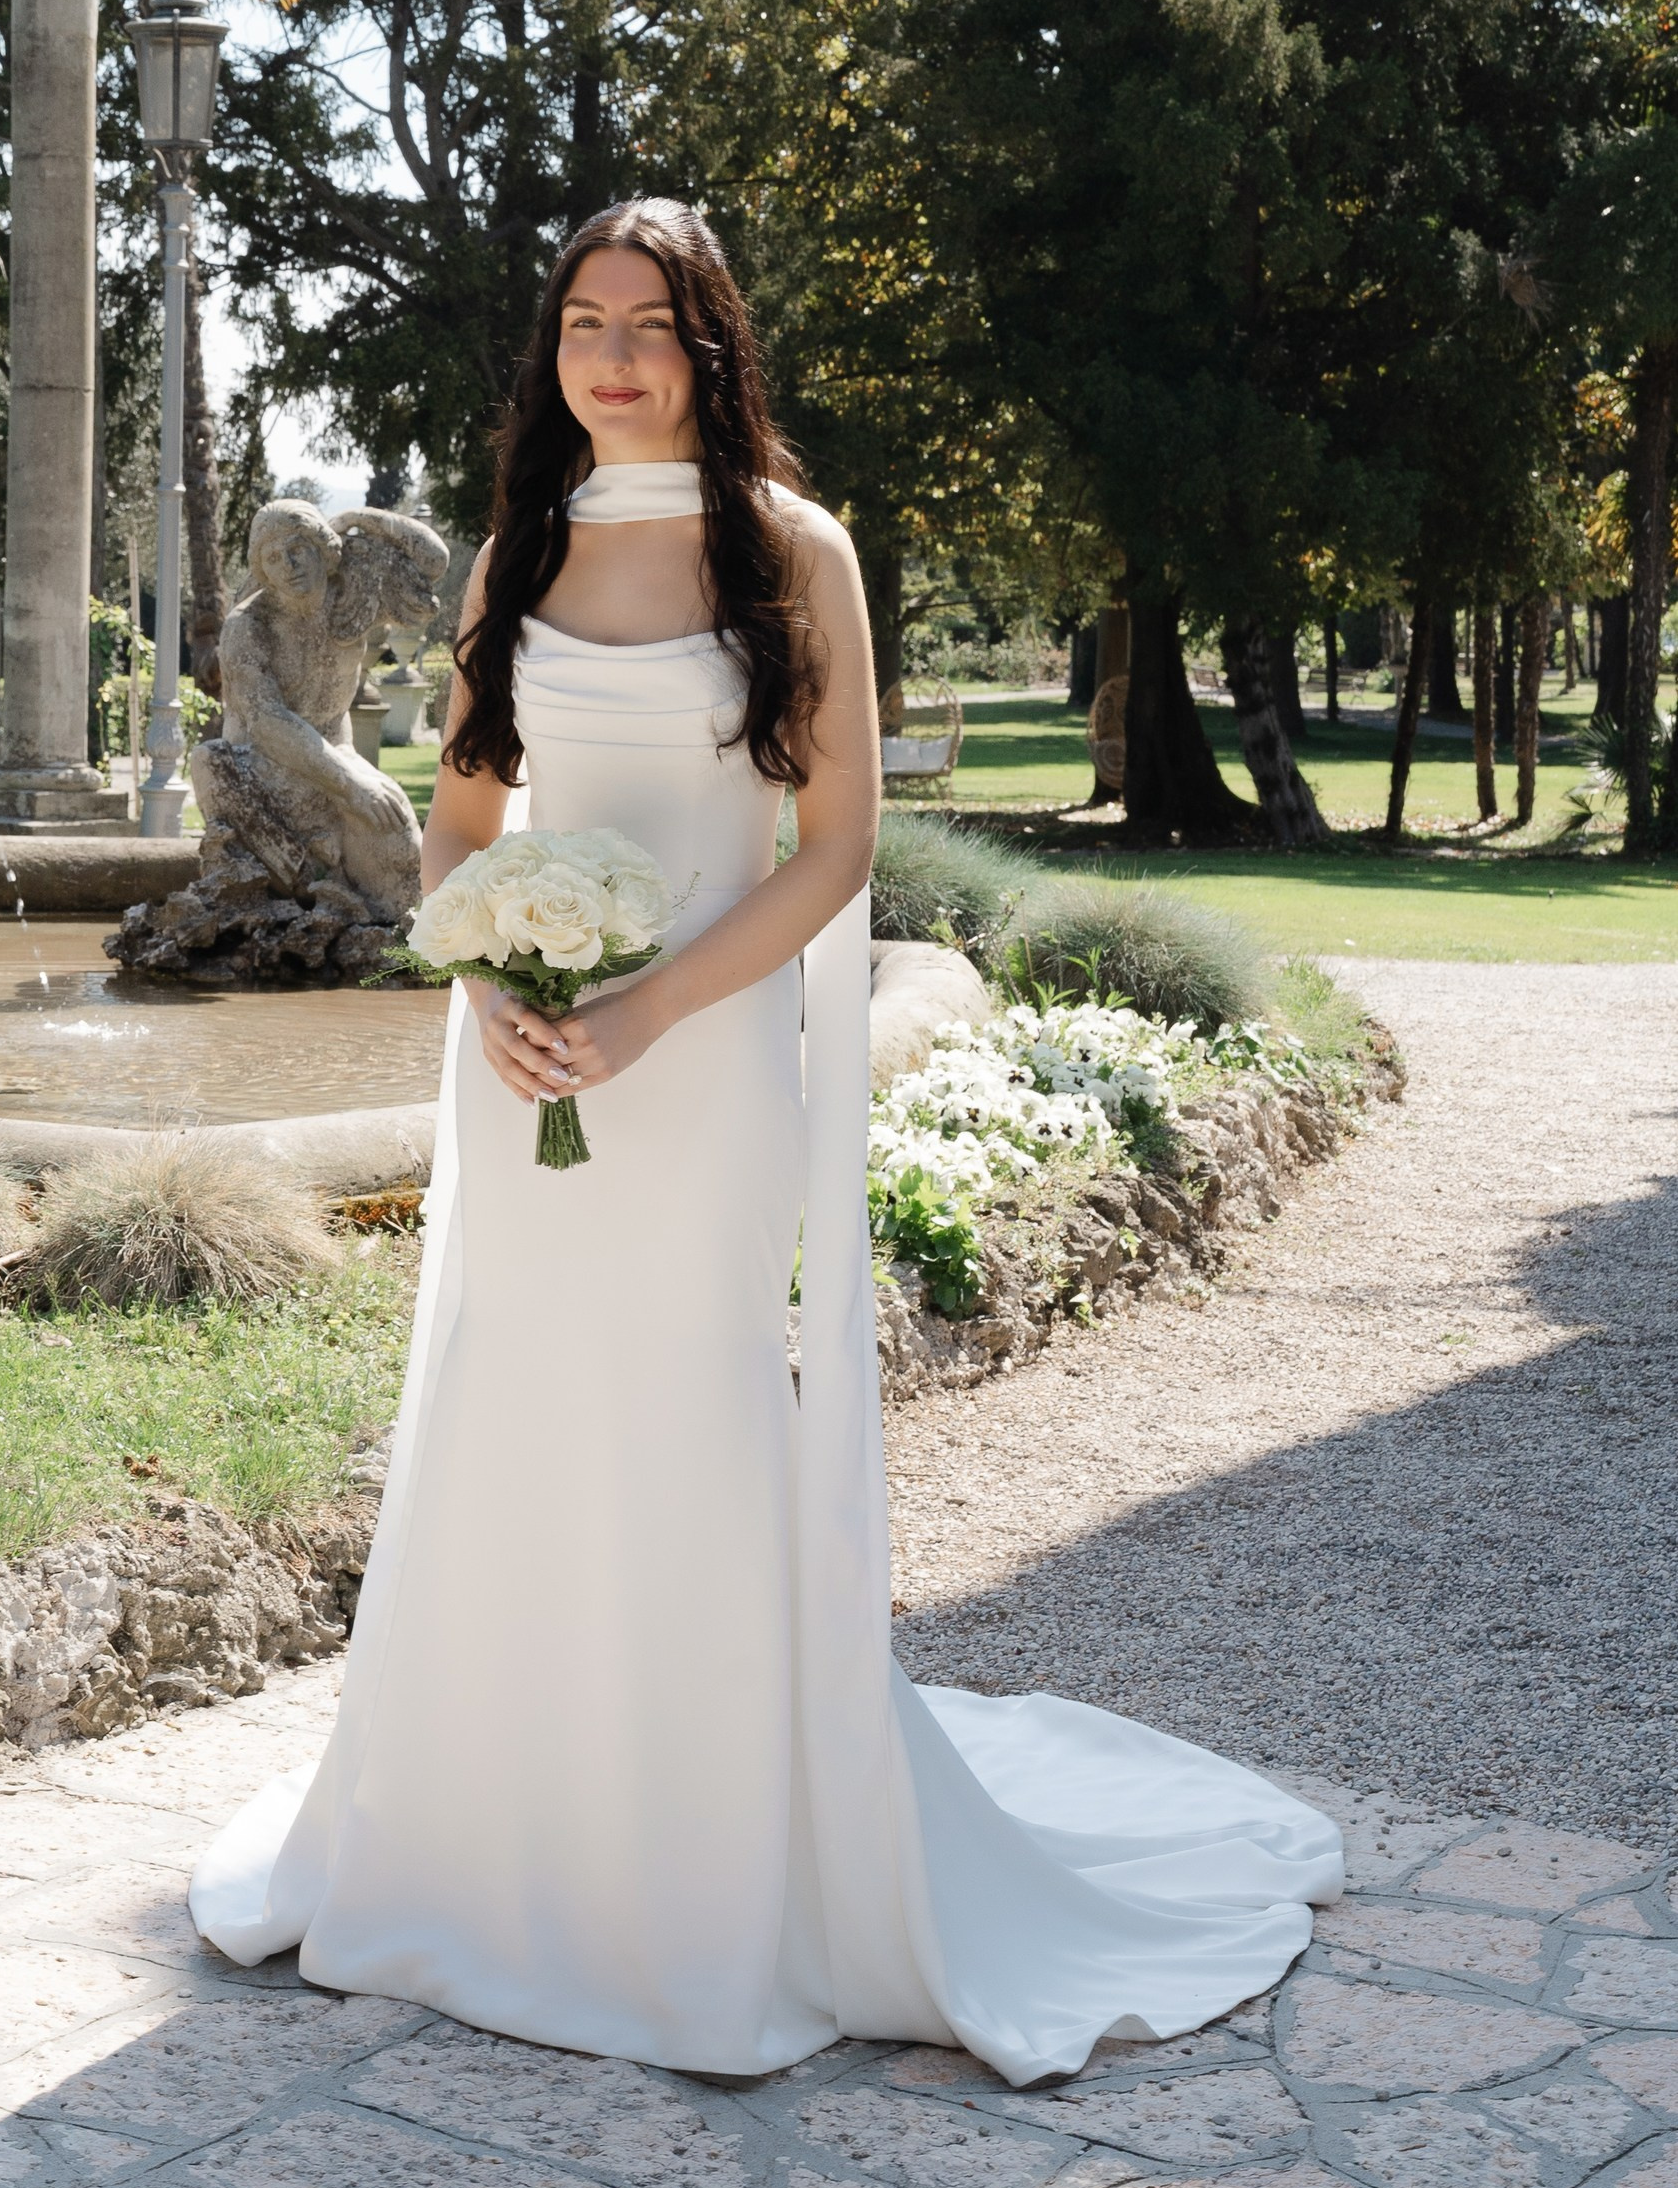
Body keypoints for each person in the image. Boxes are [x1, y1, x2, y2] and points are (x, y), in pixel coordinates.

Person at [188, 195, 1339, 2084]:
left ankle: (703, 1883)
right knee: (514, 1399)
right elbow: (463, 830)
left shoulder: (795, 552)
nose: (613, 355)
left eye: (651, 323)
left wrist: (646, 1006)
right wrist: (493, 985)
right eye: (582, 322)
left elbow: (836, 857)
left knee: (690, 1404)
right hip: (528, 1056)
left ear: (712, 347)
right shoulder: (517, 557)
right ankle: (487, 1849)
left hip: (703, 1066)